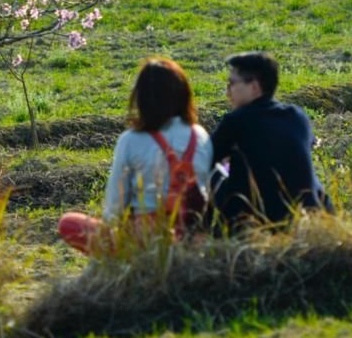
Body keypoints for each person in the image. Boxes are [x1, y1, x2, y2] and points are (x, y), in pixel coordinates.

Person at [59, 58, 213, 253]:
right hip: (190, 239)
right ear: (184, 94)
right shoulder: (200, 135)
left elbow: (115, 207)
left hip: (143, 243)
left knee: (69, 223)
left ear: (141, 98)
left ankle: (119, 264)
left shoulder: (131, 140)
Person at [210, 51, 331, 229]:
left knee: (211, 174)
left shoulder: (236, 120)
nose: (227, 92)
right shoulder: (297, 116)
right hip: (303, 216)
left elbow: (206, 159)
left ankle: (201, 231)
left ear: (254, 87)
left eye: (232, 83)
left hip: (254, 220)